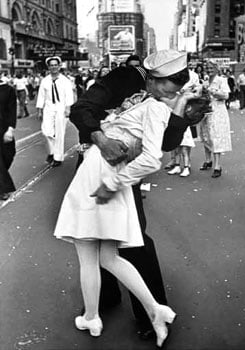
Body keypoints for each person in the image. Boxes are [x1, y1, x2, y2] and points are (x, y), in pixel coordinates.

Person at [54, 50, 195, 347]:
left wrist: (181, 114)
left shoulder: (167, 99)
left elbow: (165, 144)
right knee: (94, 239)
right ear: (154, 77)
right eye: (173, 82)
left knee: (132, 239)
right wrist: (101, 139)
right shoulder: (123, 77)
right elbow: (81, 109)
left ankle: (149, 312)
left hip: (124, 171)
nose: (175, 89)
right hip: (98, 162)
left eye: (181, 83)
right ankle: (103, 301)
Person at [36, 56, 74, 167]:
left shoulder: (65, 81)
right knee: (46, 131)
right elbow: (41, 96)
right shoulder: (45, 81)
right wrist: (39, 110)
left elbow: (69, 95)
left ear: (59, 66)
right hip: (48, 108)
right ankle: (51, 152)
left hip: (61, 108)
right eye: (51, 65)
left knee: (59, 133)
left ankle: (58, 157)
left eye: (55, 65)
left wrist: (68, 108)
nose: (53, 67)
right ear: (48, 67)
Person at [199, 59, 232, 178]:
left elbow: (226, 95)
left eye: (211, 68)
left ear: (217, 69)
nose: (209, 70)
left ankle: (217, 165)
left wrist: (213, 92)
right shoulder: (205, 80)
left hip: (217, 111)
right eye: (207, 68)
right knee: (206, 136)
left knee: (216, 137)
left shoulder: (221, 80)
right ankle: (208, 160)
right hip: (206, 111)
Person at [0, 75, 17, 201]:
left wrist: (10, 129)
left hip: (4, 129)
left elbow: (12, 110)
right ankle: (3, 189)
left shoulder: (8, 90)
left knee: (8, 155)